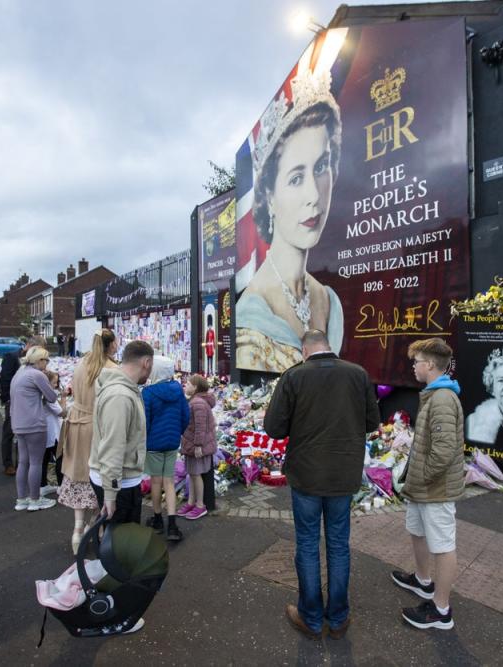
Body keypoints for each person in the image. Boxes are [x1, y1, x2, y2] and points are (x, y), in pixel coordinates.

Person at [264, 329, 380, 640]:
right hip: (343, 475)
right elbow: (372, 422)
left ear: (305, 349)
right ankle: (339, 618)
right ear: (329, 346)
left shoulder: (294, 377)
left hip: (307, 475)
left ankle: (311, 618)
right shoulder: (358, 374)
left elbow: (274, 428)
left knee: (307, 544)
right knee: (339, 545)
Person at [235, 64, 344, 373]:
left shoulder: (328, 300)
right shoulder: (252, 312)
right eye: (296, 178)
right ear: (269, 195)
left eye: (321, 167)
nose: (314, 194)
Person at [392, 338, 465, 631]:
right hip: (423, 487)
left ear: (431, 365)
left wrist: (422, 477)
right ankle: (423, 582)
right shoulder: (434, 396)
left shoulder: (443, 400)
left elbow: (445, 451)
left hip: (435, 489)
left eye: (417, 361)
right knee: (418, 532)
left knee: (443, 546)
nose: (413, 366)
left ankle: (441, 610)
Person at [58, 329, 118, 553]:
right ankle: (97, 528)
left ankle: (77, 530)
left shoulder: (81, 364)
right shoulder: (112, 369)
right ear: (110, 345)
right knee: (98, 478)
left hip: (76, 425)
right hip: (97, 427)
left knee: (77, 476)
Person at [89, 340, 154, 524]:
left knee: (121, 539)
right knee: (121, 541)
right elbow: (113, 446)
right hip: (119, 484)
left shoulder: (126, 390)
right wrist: (110, 494)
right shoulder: (121, 395)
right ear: (146, 363)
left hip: (120, 479)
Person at [142, 356, 189, 540]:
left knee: (156, 481)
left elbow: (144, 420)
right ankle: (173, 525)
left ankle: (157, 519)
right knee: (169, 482)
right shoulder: (178, 390)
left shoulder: (148, 392)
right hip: (171, 442)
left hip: (153, 443)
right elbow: (186, 416)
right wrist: (177, 432)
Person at [10, 346, 59, 512]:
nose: (47, 363)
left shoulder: (19, 373)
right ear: (40, 360)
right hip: (34, 424)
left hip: (18, 423)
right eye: (46, 360)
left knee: (23, 462)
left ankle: (21, 499)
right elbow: (52, 397)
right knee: (36, 462)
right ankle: (35, 500)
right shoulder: (37, 374)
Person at [0, 336, 45, 476]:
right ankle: (8, 464)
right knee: (9, 432)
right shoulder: (11, 357)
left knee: (25, 435)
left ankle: (22, 464)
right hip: (13, 402)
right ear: (30, 346)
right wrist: (8, 400)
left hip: (30, 404)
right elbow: (5, 379)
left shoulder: (35, 363)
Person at [179, 374, 216, 521]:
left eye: (187, 384)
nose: (185, 386)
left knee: (196, 474)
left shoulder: (198, 403)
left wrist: (198, 445)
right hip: (191, 444)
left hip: (196, 445)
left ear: (195, 387)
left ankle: (200, 505)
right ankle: (191, 502)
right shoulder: (196, 401)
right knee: (192, 474)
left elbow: (200, 426)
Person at [40, 369, 65, 497]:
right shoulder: (50, 398)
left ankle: (42, 485)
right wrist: (64, 397)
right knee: (60, 457)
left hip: (44, 431)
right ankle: (61, 485)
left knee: (44, 459)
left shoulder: (42, 395)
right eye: (54, 383)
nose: (56, 385)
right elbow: (62, 412)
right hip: (53, 432)